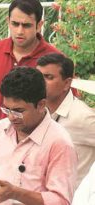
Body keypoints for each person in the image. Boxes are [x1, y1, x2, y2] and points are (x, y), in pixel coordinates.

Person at [0, 0, 60, 173]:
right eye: (15, 24)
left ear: (39, 25)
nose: (19, 31)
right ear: (8, 21)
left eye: (26, 25)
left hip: (35, 162)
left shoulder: (55, 61)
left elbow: (68, 106)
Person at [0, 67, 77, 205]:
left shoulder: (59, 142)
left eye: (18, 111)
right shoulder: (0, 128)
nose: (10, 117)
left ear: (41, 105)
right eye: (6, 109)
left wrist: (16, 194)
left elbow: (61, 201)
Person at [36, 53, 95, 189]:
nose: (40, 82)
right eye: (39, 77)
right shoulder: (37, 111)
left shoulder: (82, 116)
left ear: (67, 83)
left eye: (48, 77)